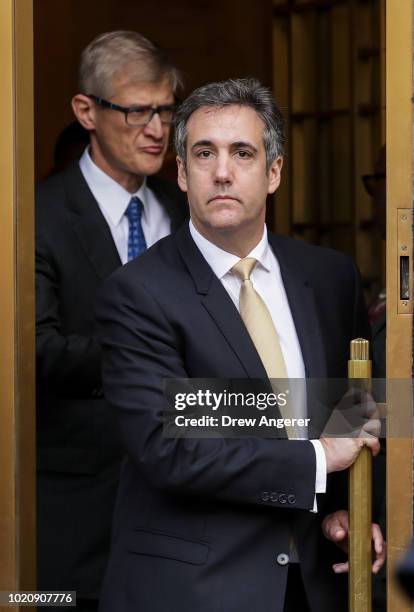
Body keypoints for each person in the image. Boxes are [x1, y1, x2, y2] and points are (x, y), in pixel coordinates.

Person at [96, 78, 385, 612]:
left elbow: (351, 405)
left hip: (318, 583)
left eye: (243, 153)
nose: (222, 171)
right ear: (181, 173)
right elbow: (169, 448)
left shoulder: (329, 277)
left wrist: (350, 509)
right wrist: (318, 460)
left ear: (273, 172)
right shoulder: (137, 294)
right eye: (204, 153)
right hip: (196, 591)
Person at [35, 30, 187, 611]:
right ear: (87, 112)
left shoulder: (186, 211)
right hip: (77, 503)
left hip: (182, 503)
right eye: (137, 111)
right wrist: (144, 365)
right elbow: (36, 348)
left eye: (166, 110)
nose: (155, 129)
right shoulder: (39, 216)